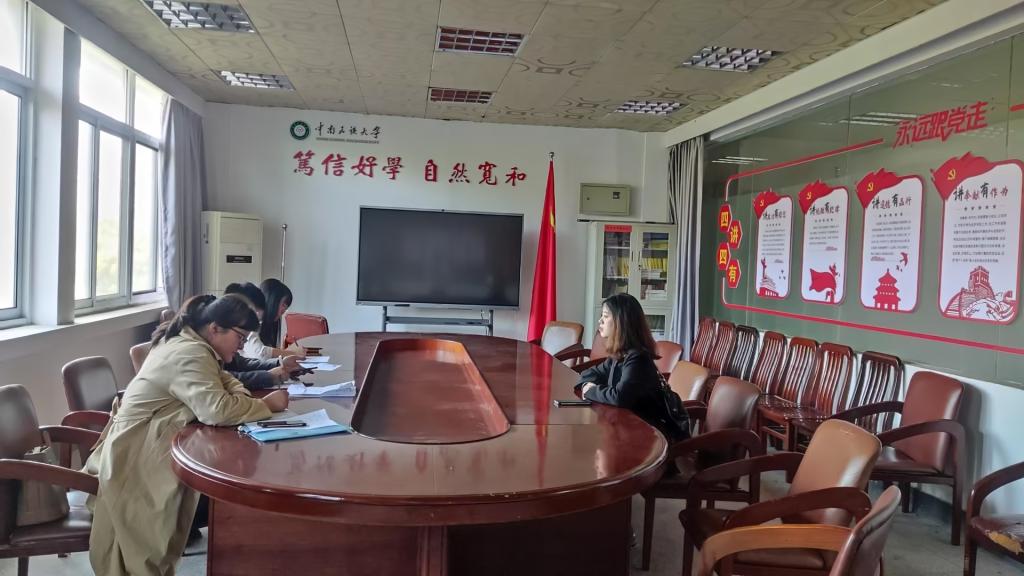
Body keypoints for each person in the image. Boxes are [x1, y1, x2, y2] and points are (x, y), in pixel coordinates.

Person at [85, 294, 289, 576]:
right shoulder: (190, 353)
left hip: (152, 442)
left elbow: (229, 387)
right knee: (232, 495)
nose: (242, 346)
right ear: (215, 328)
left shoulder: (195, 347)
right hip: (134, 456)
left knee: (229, 489)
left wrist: (241, 401)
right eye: (240, 337)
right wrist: (265, 405)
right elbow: (217, 410)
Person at [575, 293, 680, 439]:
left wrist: (590, 391)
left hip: (651, 436)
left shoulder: (638, 358)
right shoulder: (621, 354)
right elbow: (589, 373)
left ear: (620, 322)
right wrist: (588, 385)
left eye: (605, 316)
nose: (600, 320)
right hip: (630, 427)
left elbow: (620, 397)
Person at [224, 282, 304, 390]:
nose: (241, 346)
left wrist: (279, 363)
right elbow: (259, 354)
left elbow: (241, 363)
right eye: (284, 304)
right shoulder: (203, 354)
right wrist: (269, 376)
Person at [250, 278, 298, 359]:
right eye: (283, 305)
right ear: (272, 300)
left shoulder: (266, 324)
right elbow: (261, 353)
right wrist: (293, 353)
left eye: (286, 307)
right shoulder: (250, 318)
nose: (284, 310)